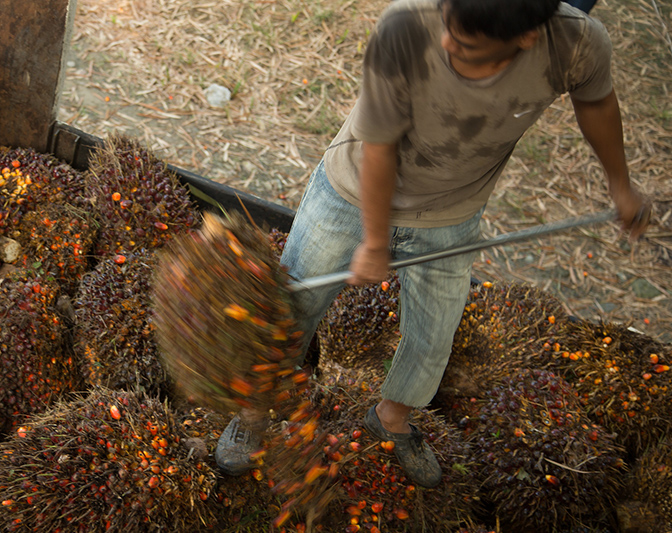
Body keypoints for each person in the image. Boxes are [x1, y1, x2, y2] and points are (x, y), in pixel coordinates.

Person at [215, 0, 649, 488]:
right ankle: (254, 410)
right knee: (297, 297)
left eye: (466, 44)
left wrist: (621, 185)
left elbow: (597, 103)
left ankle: (391, 419)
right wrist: (375, 241)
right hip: (352, 191)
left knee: (434, 330)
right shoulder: (404, 28)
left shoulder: (577, 44)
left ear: (526, 38)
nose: (446, 43)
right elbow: (380, 148)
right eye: (447, 25)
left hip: (451, 209)